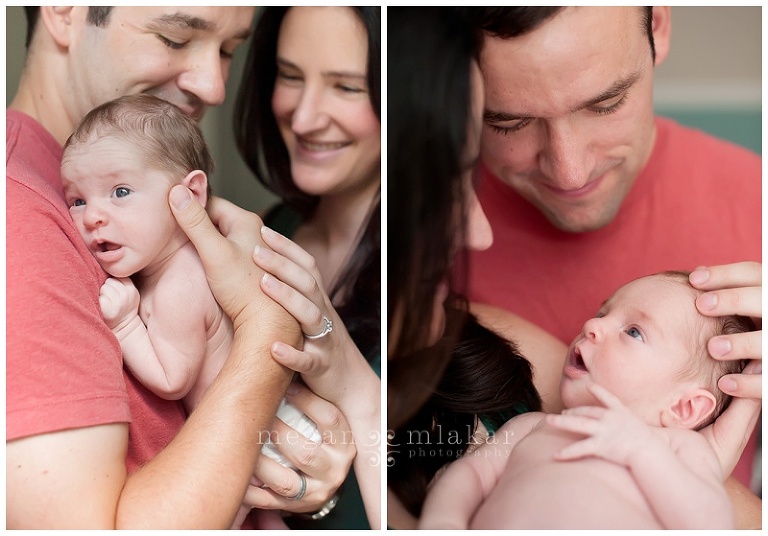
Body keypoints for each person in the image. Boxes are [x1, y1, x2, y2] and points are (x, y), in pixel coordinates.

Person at [7, 7, 351, 528]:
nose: (214, 86)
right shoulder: (20, 215)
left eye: (230, 49)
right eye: (174, 37)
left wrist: (300, 480)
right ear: (63, 10)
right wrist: (268, 327)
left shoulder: (144, 210)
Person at [460, 6, 762, 497]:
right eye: (509, 122)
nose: (569, 172)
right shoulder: (409, 233)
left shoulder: (757, 204)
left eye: (605, 104)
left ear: (658, 28)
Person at [59, 93, 328, 528]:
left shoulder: (179, 284)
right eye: (77, 200)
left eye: (120, 191)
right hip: (266, 422)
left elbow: (172, 379)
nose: (94, 217)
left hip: (271, 434)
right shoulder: (169, 265)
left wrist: (126, 325)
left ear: (190, 193)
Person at [419, 271, 754, 529]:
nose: (592, 324)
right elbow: (469, 475)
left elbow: (711, 522)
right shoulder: (532, 426)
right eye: (602, 312)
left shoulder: (675, 449)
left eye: (633, 331)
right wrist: (443, 522)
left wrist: (640, 450)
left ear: (684, 408)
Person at [233, 6, 382, 529]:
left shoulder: (429, 281)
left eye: (346, 87)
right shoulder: (274, 228)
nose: (303, 117)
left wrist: (322, 500)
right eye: (291, 77)